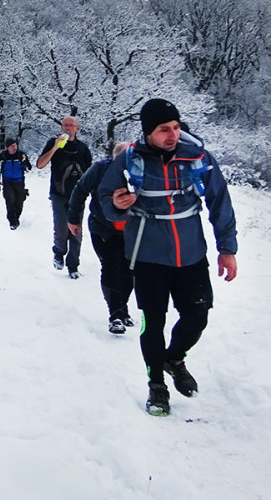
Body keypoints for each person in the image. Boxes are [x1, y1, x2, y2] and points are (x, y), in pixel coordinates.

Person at [98, 98, 238, 417]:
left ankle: (173, 359)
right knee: (153, 323)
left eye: (175, 127)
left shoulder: (197, 157)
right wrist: (117, 204)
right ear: (148, 132)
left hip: (191, 254)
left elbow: (219, 200)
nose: (172, 134)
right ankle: (156, 385)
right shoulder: (129, 160)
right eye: (164, 129)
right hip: (148, 255)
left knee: (197, 317)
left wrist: (227, 249)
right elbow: (106, 199)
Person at [67, 142, 135, 334]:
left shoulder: (142, 171)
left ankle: (123, 307)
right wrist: (73, 219)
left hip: (132, 230)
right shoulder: (100, 168)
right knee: (111, 265)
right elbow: (80, 190)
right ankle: (115, 315)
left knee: (130, 271)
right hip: (102, 227)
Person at [36, 115, 92, 278]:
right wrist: (54, 147)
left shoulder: (83, 148)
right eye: (65, 125)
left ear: (77, 129)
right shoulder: (53, 144)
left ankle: (73, 265)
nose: (68, 127)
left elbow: (90, 173)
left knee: (76, 230)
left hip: (78, 195)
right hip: (58, 194)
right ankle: (59, 253)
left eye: (71, 125)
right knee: (61, 229)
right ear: (61, 128)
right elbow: (40, 165)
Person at [0, 138, 32, 229]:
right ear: (8, 147)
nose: (14, 147)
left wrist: (24, 162)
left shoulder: (21, 155)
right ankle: (12, 222)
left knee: (19, 203)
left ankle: (16, 218)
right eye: (12, 146)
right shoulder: (3, 156)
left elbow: (29, 167)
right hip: (7, 182)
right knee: (10, 201)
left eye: (15, 145)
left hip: (19, 182)